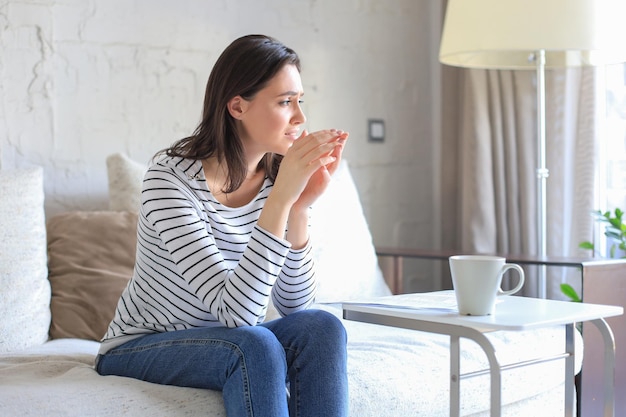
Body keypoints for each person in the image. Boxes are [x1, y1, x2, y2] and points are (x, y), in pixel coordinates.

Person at [95, 34, 349, 417]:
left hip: (226, 339)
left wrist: (298, 209)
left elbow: (295, 306)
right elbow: (237, 315)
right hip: (143, 343)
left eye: (300, 100)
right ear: (237, 106)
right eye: (284, 102)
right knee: (253, 344)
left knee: (321, 328)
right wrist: (281, 199)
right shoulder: (169, 179)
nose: (300, 117)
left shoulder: (277, 177)